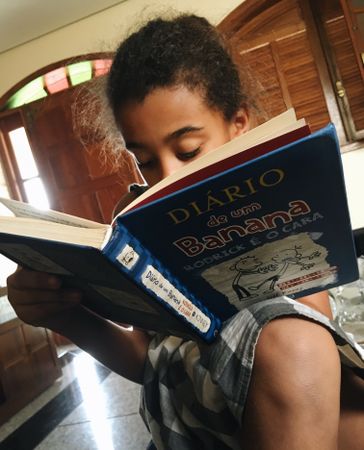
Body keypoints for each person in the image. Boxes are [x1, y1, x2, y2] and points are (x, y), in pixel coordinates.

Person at [7, 14, 364, 450]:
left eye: (188, 150)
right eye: (146, 160)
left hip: (286, 384)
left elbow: (310, 331)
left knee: (298, 345)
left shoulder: (275, 196)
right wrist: (61, 316)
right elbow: (148, 362)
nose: (167, 176)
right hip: (191, 407)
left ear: (239, 125)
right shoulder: (135, 218)